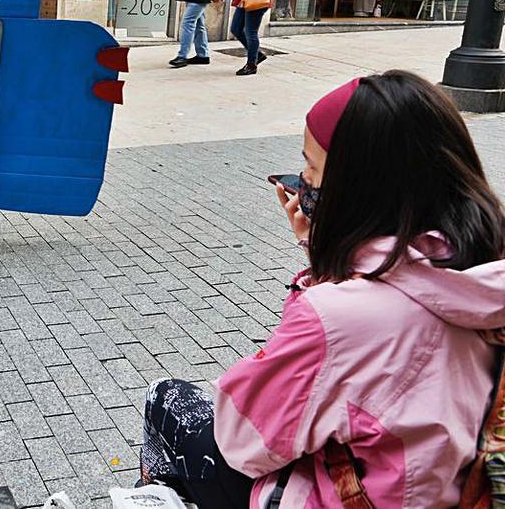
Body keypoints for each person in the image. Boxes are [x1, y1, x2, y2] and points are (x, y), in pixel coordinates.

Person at [138, 71, 505, 507]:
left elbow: (245, 440)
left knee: (167, 398)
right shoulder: (482, 268)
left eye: (312, 167)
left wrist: (317, 274)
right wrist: (321, 245)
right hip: (451, 489)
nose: (303, 180)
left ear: (357, 190)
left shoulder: (338, 316)